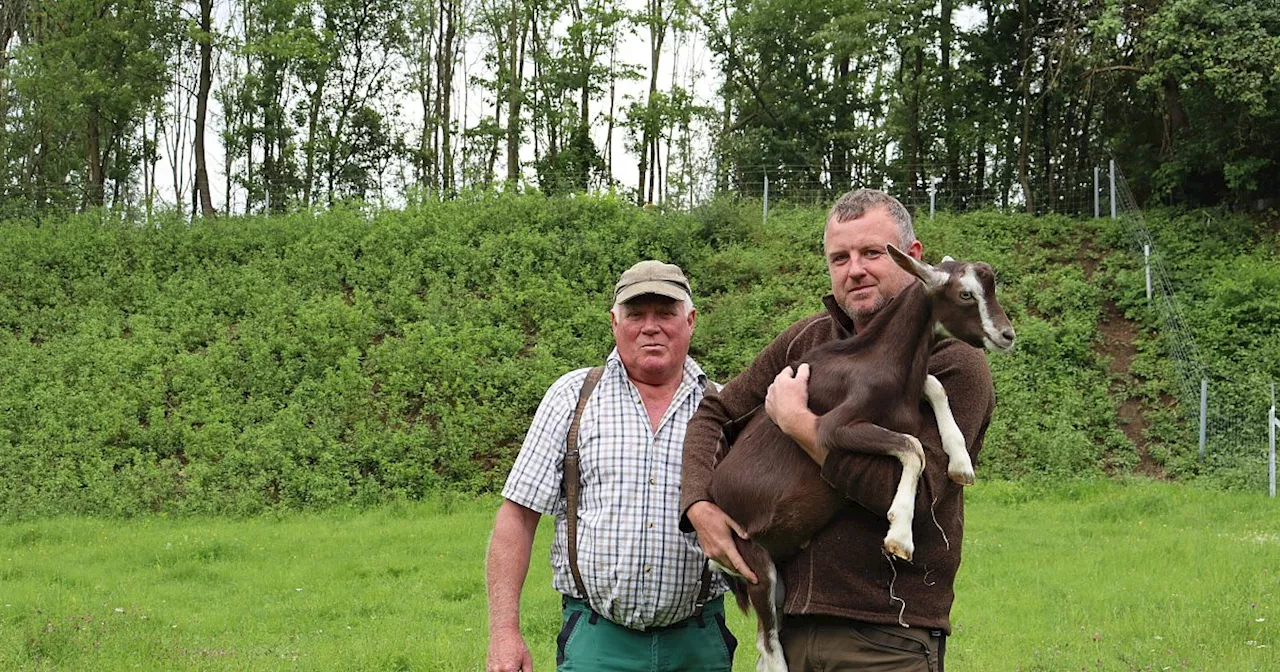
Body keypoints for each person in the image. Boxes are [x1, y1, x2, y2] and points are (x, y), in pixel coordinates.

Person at [681, 188, 997, 672]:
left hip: (885, 639)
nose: (855, 270)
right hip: (789, 633)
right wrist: (698, 505)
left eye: (872, 253)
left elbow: (913, 491)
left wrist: (801, 425)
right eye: (839, 257)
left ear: (912, 258)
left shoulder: (955, 362)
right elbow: (715, 413)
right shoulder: (809, 339)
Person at [486, 260, 735, 672]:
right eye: (636, 314)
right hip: (596, 643)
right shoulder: (573, 398)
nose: (650, 327)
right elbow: (516, 518)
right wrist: (504, 633)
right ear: (614, 323)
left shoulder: (725, 408)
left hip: (699, 643)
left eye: (666, 313)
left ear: (690, 320)